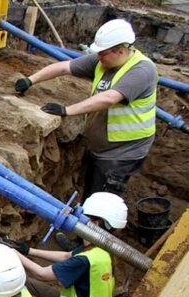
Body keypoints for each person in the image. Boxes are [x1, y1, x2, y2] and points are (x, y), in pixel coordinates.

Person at [14, 19, 158, 200]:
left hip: (122, 153)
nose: (98, 57)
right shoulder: (104, 60)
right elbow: (64, 67)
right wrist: (30, 80)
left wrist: (66, 110)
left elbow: (109, 97)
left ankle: (96, 226)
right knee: (91, 192)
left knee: (101, 205)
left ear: (120, 50)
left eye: (103, 54)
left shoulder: (142, 71)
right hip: (101, 148)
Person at [3, 192, 127, 297]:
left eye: (83, 219)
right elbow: (66, 256)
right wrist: (28, 251)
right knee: (25, 284)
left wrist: (11, 253)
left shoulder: (87, 259)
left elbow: (42, 273)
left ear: (96, 223)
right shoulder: (100, 249)